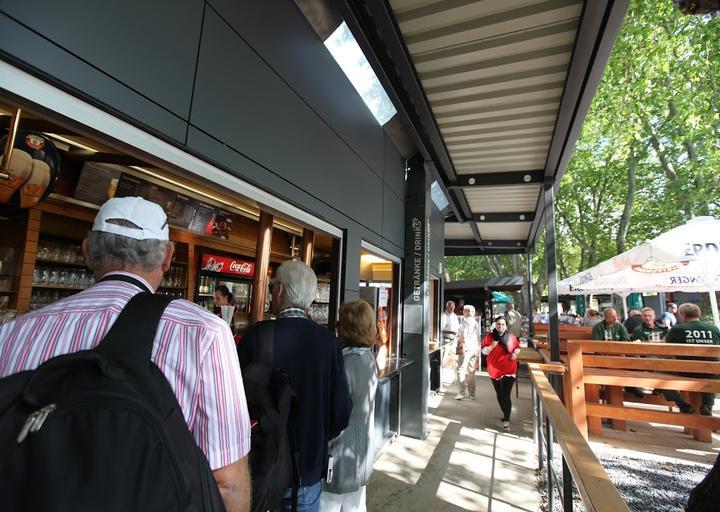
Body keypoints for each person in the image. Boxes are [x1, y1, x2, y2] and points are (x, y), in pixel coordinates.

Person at [0, 197, 251, 511]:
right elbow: (227, 482)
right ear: (167, 257)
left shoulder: (13, 332)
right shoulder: (204, 333)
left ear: (88, 250)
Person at [238, 260, 352, 512]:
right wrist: (315, 436)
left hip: (261, 468)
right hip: (307, 471)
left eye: (272, 287)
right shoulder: (328, 343)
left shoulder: (255, 337)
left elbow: (232, 404)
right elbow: (341, 411)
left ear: (279, 291)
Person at [320, 300, 378, 512]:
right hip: (361, 459)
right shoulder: (369, 358)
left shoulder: (345, 364)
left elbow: (334, 413)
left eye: (339, 322)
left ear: (346, 327)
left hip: (339, 461)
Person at [664, 303, 720, 416]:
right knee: (710, 372)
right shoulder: (713, 328)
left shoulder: (677, 329)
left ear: (683, 315)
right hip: (711, 372)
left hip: (685, 373)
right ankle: (707, 405)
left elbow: (666, 349)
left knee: (659, 372)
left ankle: (683, 405)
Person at [481, 317, 521, 431]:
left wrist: (515, 353)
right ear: (495, 325)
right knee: (499, 394)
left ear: (506, 326)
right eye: (498, 324)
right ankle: (505, 414)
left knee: (505, 395)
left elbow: (517, 347)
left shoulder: (511, 337)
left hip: (509, 369)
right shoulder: (489, 337)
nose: (500, 326)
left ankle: (507, 420)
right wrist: (492, 346)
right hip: (494, 370)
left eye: (503, 324)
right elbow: (483, 350)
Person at [455, 304, 480, 400]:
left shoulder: (466, 321)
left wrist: (462, 344)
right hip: (474, 348)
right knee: (471, 371)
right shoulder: (475, 321)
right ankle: (472, 394)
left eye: (464, 311)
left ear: (466, 312)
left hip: (466, 348)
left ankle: (461, 393)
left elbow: (464, 334)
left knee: (461, 370)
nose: (464, 312)